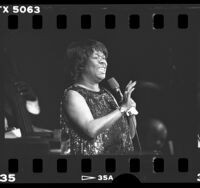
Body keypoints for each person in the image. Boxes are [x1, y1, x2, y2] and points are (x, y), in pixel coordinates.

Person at [60, 39, 138, 155]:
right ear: (81, 64)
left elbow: (129, 135)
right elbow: (91, 129)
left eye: (104, 58)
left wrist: (130, 111)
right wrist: (121, 109)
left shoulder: (107, 94)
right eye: (97, 58)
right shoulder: (73, 94)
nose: (104, 62)